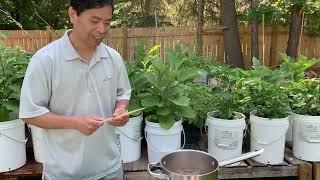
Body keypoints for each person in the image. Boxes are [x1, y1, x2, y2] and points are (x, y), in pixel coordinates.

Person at [19, 0, 131, 179]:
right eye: (94, 21)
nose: (102, 29)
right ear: (73, 14)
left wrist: (121, 109)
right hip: (63, 173)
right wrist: (75, 123)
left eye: (107, 22)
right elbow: (30, 113)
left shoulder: (113, 58)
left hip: (110, 170)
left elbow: (122, 93)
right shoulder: (46, 60)